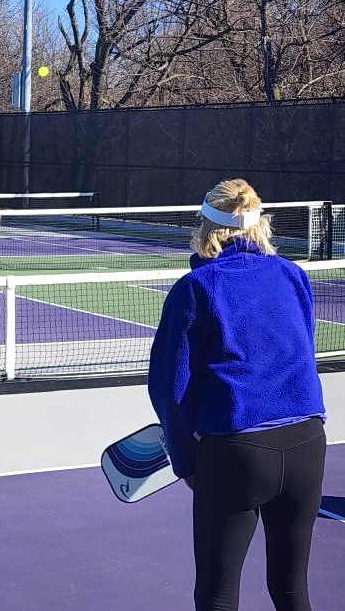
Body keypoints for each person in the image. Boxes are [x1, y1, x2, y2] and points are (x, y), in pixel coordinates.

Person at [147, 178, 326, 611]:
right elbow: (302, 346)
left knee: (217, 593)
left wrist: (187, 461)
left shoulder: (196, 288)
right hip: (307, 445)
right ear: (257, 222)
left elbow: (169, 389)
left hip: (236, 454)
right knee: (291, 589)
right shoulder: (293, 275)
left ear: (205, 228)